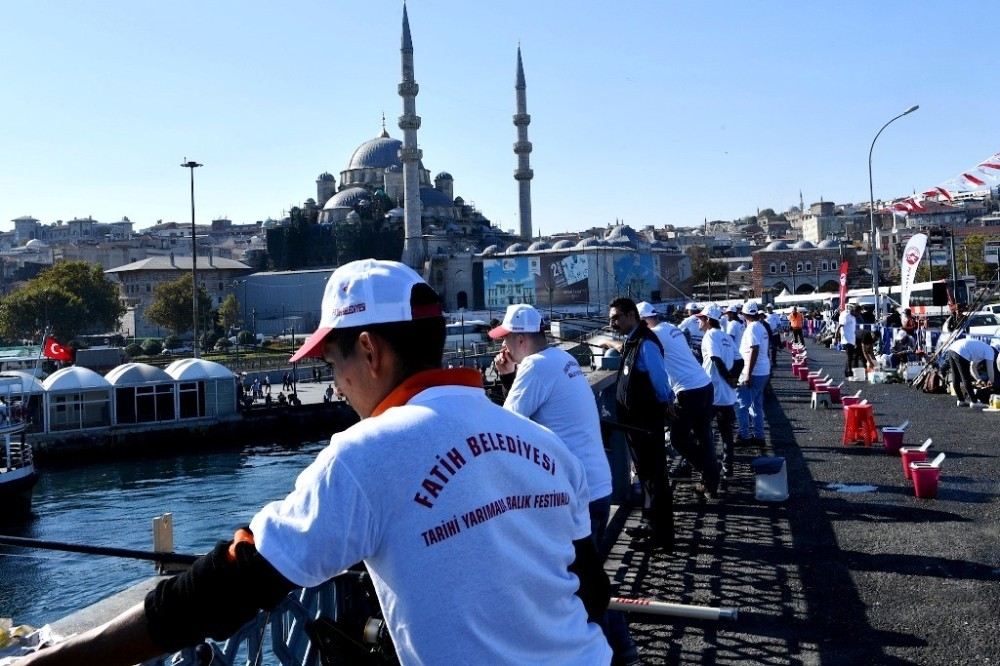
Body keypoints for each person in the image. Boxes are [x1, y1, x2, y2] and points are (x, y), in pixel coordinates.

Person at [20, 259, 613, 666]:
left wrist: (64, 658)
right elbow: (587, 592)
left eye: (332, 366)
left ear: (369, 350)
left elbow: (232, 583)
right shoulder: (544, 446)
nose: (337, 386)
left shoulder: (371, 452)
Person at [490, 303, 637, 665]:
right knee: (588, 576)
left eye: (507, 339)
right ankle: (620, 648)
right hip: (596, 484)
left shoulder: (536, 367)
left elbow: (505, 429)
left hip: (573, 495)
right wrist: (513, 377)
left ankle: (614, 652)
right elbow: (537, 421)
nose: (504, 347)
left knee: (579, 585)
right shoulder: (561, 360)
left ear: (521, 339)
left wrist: (504, 378)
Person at [607, 297, 675, 550]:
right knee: (646, 477)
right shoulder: (632, 341)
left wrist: (667, 402)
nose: (612, 322)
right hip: (634, 424)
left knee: (656, 478)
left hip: (646, 423)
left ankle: (662, 536)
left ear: (631, 316)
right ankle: (649, 524)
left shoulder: (646, 343)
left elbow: (659, 378)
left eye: (616, 318)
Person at [637, 302, 719, 498]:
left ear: (642, 321)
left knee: (678, 439)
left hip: (688, 391)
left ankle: (710, 471)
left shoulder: (653, 335)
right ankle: (711, 480)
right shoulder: (671, 328)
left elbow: (634, 349)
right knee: (704, 436)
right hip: (704, 385)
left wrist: (610, 344)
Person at [697, 304, 738, 477]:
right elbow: (740, 360)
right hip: (727, 394)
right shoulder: (726, 336)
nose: (698, 321)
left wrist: (727, 377)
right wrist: (733, 378)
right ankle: (728, 466)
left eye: (700, 319)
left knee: (703, 431)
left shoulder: (709, 335)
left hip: (712, 391)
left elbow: (715, 358)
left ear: (707, 320)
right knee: (727, 433)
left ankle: (708, 467)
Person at [735, 302, 770, 448]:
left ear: (744, 315)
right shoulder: (760, 326)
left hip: (754, 372)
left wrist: (747, 374)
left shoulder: (751, 329)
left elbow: (754, 349)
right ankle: (759, 436)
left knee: (742, 405)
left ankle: (744, 436)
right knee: (756, 405)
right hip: (763, 371)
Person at [946, 337, 999, 407]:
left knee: (955, 376)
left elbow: (973, 367)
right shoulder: (991, 352)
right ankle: (974, 401)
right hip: (961, 351)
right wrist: (991, 381)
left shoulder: (981, 351)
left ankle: (961, 400)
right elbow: (990, 369)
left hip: (952, 348)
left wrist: (979, 379)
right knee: (966, 378)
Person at [837, 304, 860, 378]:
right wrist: (836, 337)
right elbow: (840, 326)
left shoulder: (853, 317)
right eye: (858, 313)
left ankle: (847, 371)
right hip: (846, 339)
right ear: (855, 311)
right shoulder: (847, 316)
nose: (859, 315)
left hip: (852, 339)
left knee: (850, 356)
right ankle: (849, 371)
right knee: (849, 356)